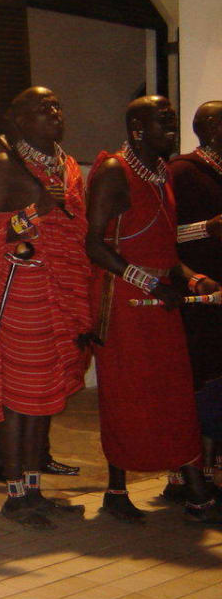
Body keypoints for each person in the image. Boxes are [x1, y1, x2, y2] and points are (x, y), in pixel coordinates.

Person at [86, 95, 222, 524]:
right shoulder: (113, 171)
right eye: (162, 121)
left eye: (172, 120)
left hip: (161, 298)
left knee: (174, 392)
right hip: (123, 299)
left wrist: (188, 278)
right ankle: (115, 489)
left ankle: (191, 481)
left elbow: (164, 248)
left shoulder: (162, 172)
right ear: (136, 130)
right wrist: (149, 283)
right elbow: (93, 244)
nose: (171, 128)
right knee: (126, 393)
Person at [0, 86, 91, 529]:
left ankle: (37, 488)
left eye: (57, 105)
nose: (53, 113)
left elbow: (78, 232)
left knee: (48, 397)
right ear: (18, 121)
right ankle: (16, 493)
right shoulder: (4, 167)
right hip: (22, 294)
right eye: (41, 109)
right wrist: (34, 213)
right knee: (21, 401)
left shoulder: (69, 168)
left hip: (63, 295)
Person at [167, 101, 222, 500]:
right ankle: (187, 475)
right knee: (198, 380)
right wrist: (208, 228)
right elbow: (163, 238)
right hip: (197, 289)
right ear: (211, 128)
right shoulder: (182, 171)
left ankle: (215, 470)